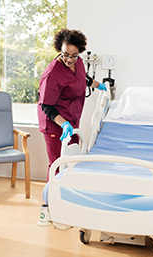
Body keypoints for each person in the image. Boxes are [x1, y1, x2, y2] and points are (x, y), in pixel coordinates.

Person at [37, 28, 106, 182]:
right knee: (58, 163)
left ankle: (69, 196)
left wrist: (99, 85)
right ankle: (52, 200)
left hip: (72, 118)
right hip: (56, 123)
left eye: (74, 56)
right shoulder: (52, 74)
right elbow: (46, 106)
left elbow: (83, 78)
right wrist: (64, 124)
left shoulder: (78, 62)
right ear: (59, 50)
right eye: (65, 55)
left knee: (71, 160)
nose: (69, 60)